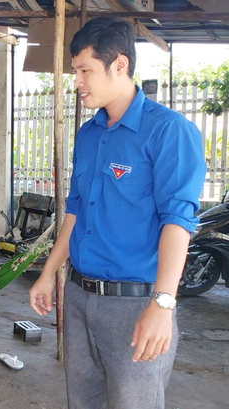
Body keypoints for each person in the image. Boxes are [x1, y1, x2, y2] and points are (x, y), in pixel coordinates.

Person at [29, 16, 206, 409]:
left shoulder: (168, 131)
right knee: (82, 402)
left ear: (120, 65)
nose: (77, 81)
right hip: (79, 297)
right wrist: (48, 274)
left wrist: (163, 304)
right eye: (75, 71)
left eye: (85, 70)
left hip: (134, 304)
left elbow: (178, 221)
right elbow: (75, 210)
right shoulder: (89, 134)